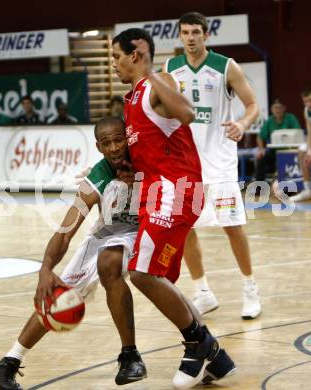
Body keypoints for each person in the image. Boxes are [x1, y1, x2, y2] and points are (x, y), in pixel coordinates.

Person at [112, 28, 235, 389]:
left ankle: (198, 344)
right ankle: (216, 358)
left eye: (117, 57)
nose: (113, 65)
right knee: (156, 276)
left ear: (135, 55)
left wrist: (150, 74)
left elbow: (187, 113)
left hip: (175, 191)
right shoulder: (132, 98)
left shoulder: (158, 82)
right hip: (156, 191)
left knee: (141, 274)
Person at [0, 117, 147, 390]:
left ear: (128, 138)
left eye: (118, 140)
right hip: (108, 233)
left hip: (146, 231)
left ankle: (131, 354)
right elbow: (65, 231)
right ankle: (9, 362)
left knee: (114, 266)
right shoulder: (97, 177)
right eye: (106, 143)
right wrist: (45, 269)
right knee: (58, 293)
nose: (113, 148)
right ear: (98, 147)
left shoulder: (147, 159)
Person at [164, 12, 261, 319]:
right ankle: (202, 291)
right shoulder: (170, 68)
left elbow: (253, 104)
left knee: (232, 226)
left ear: (206, 35)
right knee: (185, 229)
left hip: (219, 163)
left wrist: (243, 124)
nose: (190, 37)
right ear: (180, 36)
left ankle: (250, 289)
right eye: (185, 32)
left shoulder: (225, 66)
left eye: (195, 32)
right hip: (185, 164)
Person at [256, 99, 301, 182]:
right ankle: (259, 187)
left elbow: (298, 132)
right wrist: (261, 149)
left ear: (284, 109)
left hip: (290, 151)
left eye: (280, 107)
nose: (278, 110)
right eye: (275, 108)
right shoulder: (269, 121)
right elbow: (260, 137)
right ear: (271, 110)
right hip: (274, 151)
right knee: (261, 158)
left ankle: (291, 185)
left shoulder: (291, 118)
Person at [291, 89, 311, 201]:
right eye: (305, 101)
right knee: (302, 151)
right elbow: (310, 132)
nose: (308, 104)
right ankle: (308, 189)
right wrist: (310, 151)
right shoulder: (307, 111)